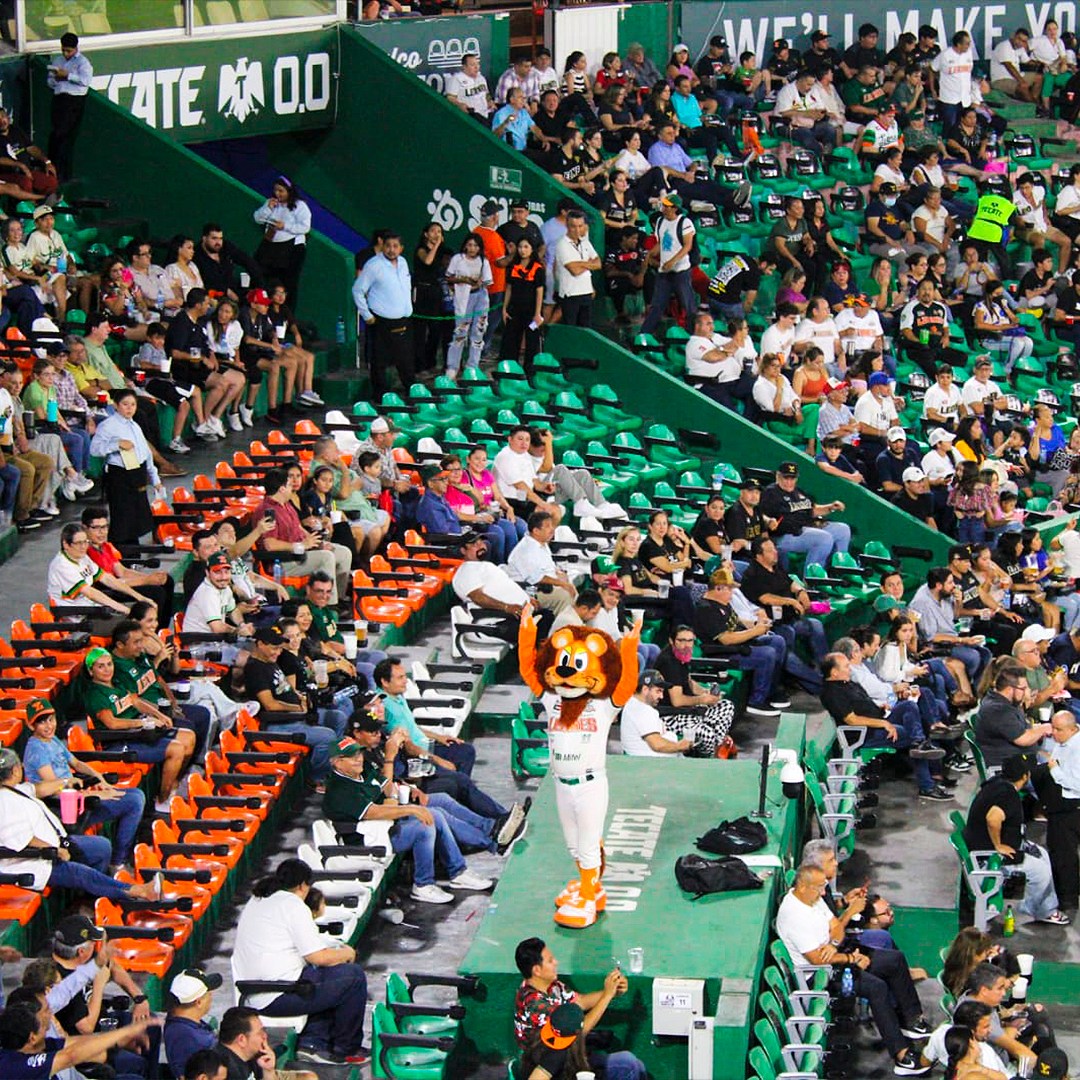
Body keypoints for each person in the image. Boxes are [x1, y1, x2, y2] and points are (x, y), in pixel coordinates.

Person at [323, 727, 510, 906]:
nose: (358, 759)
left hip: (384, 824)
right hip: (368, 840)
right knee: (424, 826)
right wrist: (411, 809)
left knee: (436, 809)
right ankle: (423, 884)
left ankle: (476, 855)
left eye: (358, 754)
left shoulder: (362, 771)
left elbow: (388, 788)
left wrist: (399, 794)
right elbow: (375, 812)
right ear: (337, 762)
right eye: (351, 757)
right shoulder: (340, 789)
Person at [775, 864, 931, 1076]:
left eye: (824, 887)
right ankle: (902, 1056)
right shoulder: (795, 916)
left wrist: (835, 945)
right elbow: (818, 959)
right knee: (877, 988)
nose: (823, 892)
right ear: (803, 886)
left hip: (838, 956)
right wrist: (850, 957)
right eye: (820, 888)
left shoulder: (812, 896)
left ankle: (909, 1020)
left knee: (894, 960)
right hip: (821, 977)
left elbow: (836, 928)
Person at [232, 858, 368, 1066]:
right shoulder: (293, 904)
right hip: (278, 995)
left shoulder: (259, 899)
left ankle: (313, 1043)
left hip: (252, 992)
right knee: (353, 976)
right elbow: (318, 956)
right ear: (303, 885)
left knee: (325, 977)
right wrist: (347, 954)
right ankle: (345, 1049)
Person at [0, 747, 161, 903]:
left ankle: (92, 900)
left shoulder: (14, 789)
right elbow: (23, 839)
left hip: (58, 843)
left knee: (101, 847)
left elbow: (38, 789)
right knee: (80, 873)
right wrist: (56, 850)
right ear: (15, 771)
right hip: (35, 860)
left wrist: (64, 781)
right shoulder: (5, 801)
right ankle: (139, 891)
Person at [375, 657, 517, 822]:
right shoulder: (384, 707)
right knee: (459, 778)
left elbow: (412, 727)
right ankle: (498, 815)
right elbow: (407, 746)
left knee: (465, 751)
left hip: (427, 746)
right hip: (416, 757)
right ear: (385, 682)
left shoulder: (398, 697)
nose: (406, 681)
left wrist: (439, 737)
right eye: (400, 678)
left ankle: (464, 801)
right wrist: (437, 760)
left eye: (404, 676)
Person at [20, 697, 146, 874]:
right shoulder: (36, 749)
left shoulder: (52, 739)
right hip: (62, 808)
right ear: (32, 726)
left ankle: (118, 860)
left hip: (78, 797)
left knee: (136, 795)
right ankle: (117, 862)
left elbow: (77, 763)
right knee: (133, 801)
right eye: (42, 723)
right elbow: (57, 789)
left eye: (51, 720)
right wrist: (94, 795)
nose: (49, 726)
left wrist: (99, 779)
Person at [821, 650, 950, 799]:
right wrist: (883, 723)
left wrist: (880, 707)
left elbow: (864, 703)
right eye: (845, 666)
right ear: (834, 672)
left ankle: (921, 745)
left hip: (879, 720)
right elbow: (852, 720)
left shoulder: (847, 683)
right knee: (911, 735)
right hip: (865, 734)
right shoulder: (832, 693)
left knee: (909, 706)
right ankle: (927, 784)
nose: (850, 668)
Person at [513, 937, 645, 1080]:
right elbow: (576, 1031)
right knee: (628, 1065)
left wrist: (613, 991)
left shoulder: (551, 986)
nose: (556, 962)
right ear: (537, 970)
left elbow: (579, 1001)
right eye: (550, 961)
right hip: (556, 1067)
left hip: (570, 1055)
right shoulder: (535, 1005)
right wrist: (607, 995)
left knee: (636, 1065)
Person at [965, 752, 1070, 925]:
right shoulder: (1008, 794)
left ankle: (1046, 910)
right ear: (1025, 776)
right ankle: (1032, 908)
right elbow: (993, 818)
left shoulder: (996, 783)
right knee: (1040, 872)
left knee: (1041, 853)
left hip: (986, 846)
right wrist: (998, 845)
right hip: (989, 857)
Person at [240, 625, 339, 787]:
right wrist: (299, 709)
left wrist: (301, 698)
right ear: (260, 644)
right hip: (277, 724)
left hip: (296, 713)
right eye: (274, 648)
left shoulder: (270, 661)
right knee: (327, 736)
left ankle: (333, 766)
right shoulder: (255, 669)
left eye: (279, 648)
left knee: (337, 717)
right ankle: (317, 778)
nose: (278, 653)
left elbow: (286, 688)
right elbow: (270, 705)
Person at [693, 567, 789, 716]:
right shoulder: (706, 609)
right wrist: (754, 632)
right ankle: (756, 702)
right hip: (724, 653)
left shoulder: (723, 602)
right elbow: (726, 639)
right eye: (729, 589)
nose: (732, 593)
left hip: (740, 644)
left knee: (777, 641)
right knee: (767, 654)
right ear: (718, 588)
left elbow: (737, 623)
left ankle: (771, 690)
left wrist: (758, 624)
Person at [739, 536, 828, 690]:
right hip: (772, 625)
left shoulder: (776, 567)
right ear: (759, 556)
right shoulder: (752, 574)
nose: (775, 552)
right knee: (788, 639)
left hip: (790, 617)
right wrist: (791, 601)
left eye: (774, 548)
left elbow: (790, 582)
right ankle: (820, 684)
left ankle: (827, 669)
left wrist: (800, 591)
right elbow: (765, 598)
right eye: (770, 550)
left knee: (815, 625)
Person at [256, 467, 352, 607]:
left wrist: (315, 542)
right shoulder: (267, 511)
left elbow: (298, 528)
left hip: (302, 552)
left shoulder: (286, 505)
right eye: (289, 484)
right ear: (282, 489)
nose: (292, 487)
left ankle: (340, 598)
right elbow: (269, 544)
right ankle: (329, 606)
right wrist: (300, 546)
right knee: (326, 557)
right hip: (285, 560)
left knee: (344, 553)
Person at [0, 1000, 156, 1079]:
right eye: (42, 1025)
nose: (48, 1026)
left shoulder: (38, 1045)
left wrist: (120, 1038)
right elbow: (70, 1055)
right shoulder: (15, 1067)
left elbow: (76, 1042)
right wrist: (128, 1030)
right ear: (31, 1037)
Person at [88, 388, 161, 545]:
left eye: (133, 405)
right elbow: (95, 449)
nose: (129, 408)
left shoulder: (135, 425)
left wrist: (155, 478)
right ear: (116, 405)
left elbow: (146, 453)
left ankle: (132, 553)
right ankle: (120, 553)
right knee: (122, 518)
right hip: (120, 476)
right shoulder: (108, 425)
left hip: (137, 474)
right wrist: (116, 444)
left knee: (136, 518)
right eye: (125, 404)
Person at [452, 530, 553, 643]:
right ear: (463, 550)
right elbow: (478, 597)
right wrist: (507, 607)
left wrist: (528, 598)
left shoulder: (486, 565)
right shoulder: (467, 571)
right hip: (495, 622)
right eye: (475, 545)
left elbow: (506, 587)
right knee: (541, 627)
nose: (480, 546)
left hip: (515, 615)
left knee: (548, 616)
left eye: (481, 542)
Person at [352, 232, 413, 398]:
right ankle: (381, 397)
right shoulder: (373, 265)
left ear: (401, 248)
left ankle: (412, 392)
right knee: (379, 361)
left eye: (395, 246)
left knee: (405, 359)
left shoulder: (403, 263)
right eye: (388, 246)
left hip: (403, 320)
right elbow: (358, 290)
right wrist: (367, 315)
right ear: (382, 246)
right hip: (381, 321)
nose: (391, 250)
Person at [760, 460, 850, 568]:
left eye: (792, 478)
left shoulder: (798, 491)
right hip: (785, 536)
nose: (789, 481)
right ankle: (813, 578)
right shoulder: (770, 493)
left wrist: (830, 507)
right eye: (786, 477)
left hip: (807, 528)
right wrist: (768, 521)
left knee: (843, 530)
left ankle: (840, 570)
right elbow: (759, 514)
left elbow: (812, 510)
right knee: (824, 538)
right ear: (778, 476)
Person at [1033, 710, 1080, 913]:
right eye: (1052, 727)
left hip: (1070, 806)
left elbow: (1077, 784)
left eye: (1058, 729)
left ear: (1072, 728)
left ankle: (1068, 899)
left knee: (1064, 854)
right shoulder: (1065, 742)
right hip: (1060, 804)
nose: (1053, 733)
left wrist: (1054, 770)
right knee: (1059, 850)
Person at [974, 665, 1053, 770]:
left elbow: (1022, 729)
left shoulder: (1006, 702)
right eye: (1023, 689)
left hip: (1021, 759)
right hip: (1009, 769)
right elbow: (1023, 739)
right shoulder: (997, 710)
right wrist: (1044, 728)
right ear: (1009, 689)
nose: (1025, 693)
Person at [46, 32, 92, 181]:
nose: (65, 54)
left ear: (75, 49)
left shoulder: (83, 63)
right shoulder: (58, 60)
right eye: (63, 50)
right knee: (56, 135)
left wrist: (67, 76)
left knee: (66, 137)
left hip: (74, 102)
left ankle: (64, 173)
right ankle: (53, 168)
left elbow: (85, 81)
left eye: (69, 51)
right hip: (59, 99)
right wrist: (56, 78)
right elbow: (50, 82)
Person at [619, 668, 695, 756]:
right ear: (645, 689)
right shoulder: (643, 710)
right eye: (658, 691)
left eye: (662, 692)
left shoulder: (633, 703)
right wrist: (680, 746)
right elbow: (657, 745)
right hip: (653, 763)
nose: (661, 696)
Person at [164, 968, 224, 1079]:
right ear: (199, 1002)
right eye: (208, 993)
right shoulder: (190, 1038)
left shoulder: (180, 1021)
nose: (211, 996)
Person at [553, 210, 600, 328]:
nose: (577, 230)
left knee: (586, 329)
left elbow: (598, 263)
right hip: (570, 294)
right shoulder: (561, 244)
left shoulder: (585, 243)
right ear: (567, 226)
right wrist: (588, 263)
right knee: (571, 329)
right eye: (573, 226)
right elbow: (575, 271)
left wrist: (580, 264)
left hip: (586, 292)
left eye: (580, 226)